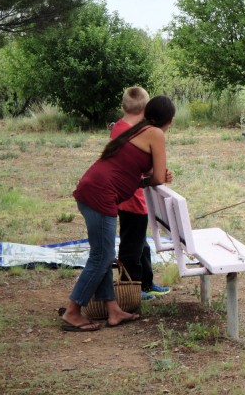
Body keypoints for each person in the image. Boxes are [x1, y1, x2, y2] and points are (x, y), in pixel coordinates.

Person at [60, 95, 175, 332]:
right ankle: (73, 311)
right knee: (102, 257)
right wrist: (159, 176)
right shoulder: (156, 133)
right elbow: (156, 177)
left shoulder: (138, 130)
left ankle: (113, 310)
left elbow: (143, 173)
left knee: (102, 253)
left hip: (93, 189)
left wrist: (155, 176)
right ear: (168, 120)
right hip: (100, 195)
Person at [110, 87, 171, 301]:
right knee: (131, 247)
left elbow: (136, 164)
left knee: (141, 244)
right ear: (145, 110)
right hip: (131, 200)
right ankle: (132, 288)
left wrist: (155, 171)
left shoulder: (120, 127)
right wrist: (156, 173)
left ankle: (146, 282)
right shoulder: (131, 132)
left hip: (135, 198)